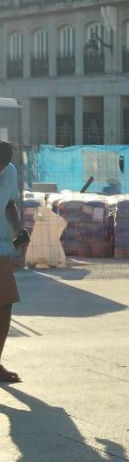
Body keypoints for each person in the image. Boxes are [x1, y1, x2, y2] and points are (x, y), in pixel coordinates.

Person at [0, 142, 29, 383]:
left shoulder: (9, 172)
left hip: (0, 248)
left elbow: (9, 203)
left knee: (5, 304)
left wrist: (19, 228)